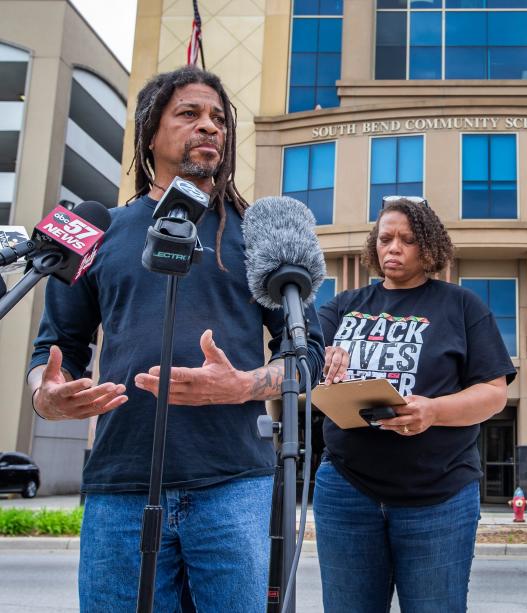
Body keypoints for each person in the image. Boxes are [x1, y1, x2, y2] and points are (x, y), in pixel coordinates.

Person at [27, 66, 324, 611]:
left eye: (218, 118)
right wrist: (45, 397)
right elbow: (57, 350)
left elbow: (309, 358)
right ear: (149, 132)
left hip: (233, 485)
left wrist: (244, 385)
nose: (209, 127)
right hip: (120, 484)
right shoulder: (98, 232)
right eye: (189, 114)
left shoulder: (260, 232)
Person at [313, 196, 517, 613]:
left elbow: (494, 393)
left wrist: (433, 411)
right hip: (346, 488)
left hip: (437, 496)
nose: (393, 248)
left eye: (407, 240)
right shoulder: (343, 306)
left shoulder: (462, 306)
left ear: (428, 247)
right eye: (385, 238)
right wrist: (321, 358)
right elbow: (302, 364)